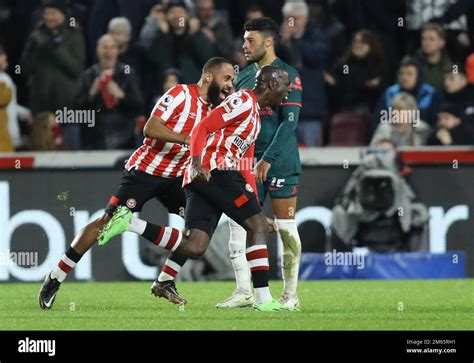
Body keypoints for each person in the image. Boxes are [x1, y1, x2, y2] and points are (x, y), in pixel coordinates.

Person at [38, 57, 235, 310]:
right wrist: (186, 139)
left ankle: (165, 280)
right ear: (209, 77)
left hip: (178, 177)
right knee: (105, 223)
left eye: (232, 79)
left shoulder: (216, 110)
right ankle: (56, 276)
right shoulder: (180, 94)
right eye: (227, 78)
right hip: (146, 171)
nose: (231, 85)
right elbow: (150, 128)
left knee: (198, 230)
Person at [99, 65, 294, 312]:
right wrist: (197, 161)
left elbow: (245, 164)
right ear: (271, 84)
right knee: (255, 227)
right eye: (286, 86)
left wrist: (254, 203)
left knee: (195, 246)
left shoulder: (255, 117)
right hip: (214, 170)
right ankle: (264, 300)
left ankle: (129, 224)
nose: (287, 93)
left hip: (205, 176)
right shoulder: (242, 101)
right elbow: (203, 127)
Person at [214, 17, 303, 309]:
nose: (244, 45)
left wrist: (268, 159)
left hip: (279, 163)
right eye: (243, 40)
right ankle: (244, 291)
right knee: (239, 225)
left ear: (268, 41)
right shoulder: (241, 78)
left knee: (287, 227)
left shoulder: (289, 75)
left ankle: (290, 296)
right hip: (244, 162)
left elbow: (289, 125)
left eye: (250, 40)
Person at [20, 0, 85, 150]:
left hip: (67, 107)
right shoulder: (35, 35)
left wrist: (56, 48)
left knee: (70, 152)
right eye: (46, 13)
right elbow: (25, 69)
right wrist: (37, 49)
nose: (49, 17)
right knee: (41, 151)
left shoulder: (74, 35)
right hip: (41, 106)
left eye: (53, 13)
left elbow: (76, 69)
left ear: (63, 16)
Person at [75, 34, 143, 150]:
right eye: (105, 47)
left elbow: (138, 107)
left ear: (117, 51)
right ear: (97, 50)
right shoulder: (87, 76)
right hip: (93, 140)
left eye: (112, 48)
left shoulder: (128, 74)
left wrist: (121, 96)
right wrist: (92, 93)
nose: (108, 52)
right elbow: (77, 112)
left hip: (123, 139)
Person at [279, 0, 329, 147]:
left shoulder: (317, 35)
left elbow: (316, 56)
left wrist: (296, 40)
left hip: (309, 110)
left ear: (305, 18)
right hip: (284, 108)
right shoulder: (279, 39)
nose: (291, 23)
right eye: (288, 18)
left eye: (295, 19)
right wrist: (283, 43)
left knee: (310, 158)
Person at [147, 0, 216, 84]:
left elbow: (207, 58)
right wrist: (164, 36)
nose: (177, 16)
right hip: (166, 87)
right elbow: (156, 60)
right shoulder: (161, 35)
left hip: (193, 85)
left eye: (180, 12)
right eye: (172, 12)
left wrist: (193, 36)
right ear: (165, 17)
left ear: (188, 15)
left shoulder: (196, 34)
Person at [373, 57, 442, 129]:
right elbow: (378, 120)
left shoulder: (430, 94)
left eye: (409, 74)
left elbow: (435, 123)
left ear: (418, 76)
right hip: (393, 135)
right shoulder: (390, 93)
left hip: (421, 135)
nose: (404, 78)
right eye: (401, 74)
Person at [415, 23, 453, 93]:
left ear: (442, 42)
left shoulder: (452, 66)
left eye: (431, 39)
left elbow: (456, 89)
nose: (426, 43)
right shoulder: (412, 63)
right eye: (423, 39)